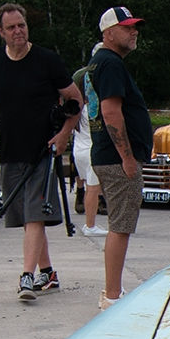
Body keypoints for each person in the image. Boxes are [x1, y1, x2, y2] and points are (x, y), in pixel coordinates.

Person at [0, 3, 81, 302]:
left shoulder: (47, 60)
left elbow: (75, 99)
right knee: (26, 218)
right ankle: (47, 272)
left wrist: (63, 136)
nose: (18, 31)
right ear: (1, 32)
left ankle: (27, 276)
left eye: (21, 25)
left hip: (42, 153)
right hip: (11, 151)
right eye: (11, 27)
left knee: (35, 215)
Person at [89, 6, 153, 310]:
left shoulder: (101, 62)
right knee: (120, 226)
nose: (134, 31)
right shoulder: (110, 63)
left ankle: (112, 292)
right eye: (127, 27)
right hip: (117, 160)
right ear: (109, 33)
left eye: (134, 26)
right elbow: (111, 111)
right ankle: (112, 296)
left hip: (109, 157)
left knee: (120, 225)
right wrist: (127, 158)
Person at [71, 44, 105, 237]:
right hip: (92, 149)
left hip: (79, 148)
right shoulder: (94, 110)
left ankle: (89, 217)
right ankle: (90, 225)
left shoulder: (78, 110)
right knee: (93, 188)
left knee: (89, 184)